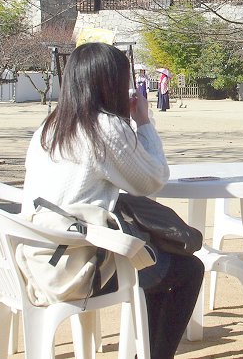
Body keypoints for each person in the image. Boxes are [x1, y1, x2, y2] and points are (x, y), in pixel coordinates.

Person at [21, 43, 203, 359]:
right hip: (78, 268)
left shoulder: (48, 128)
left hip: (37, 260)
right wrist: (143, 122)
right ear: (112, 83)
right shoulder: (104, 127)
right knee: (187, 269)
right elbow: (152, 180)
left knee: (152, 257)